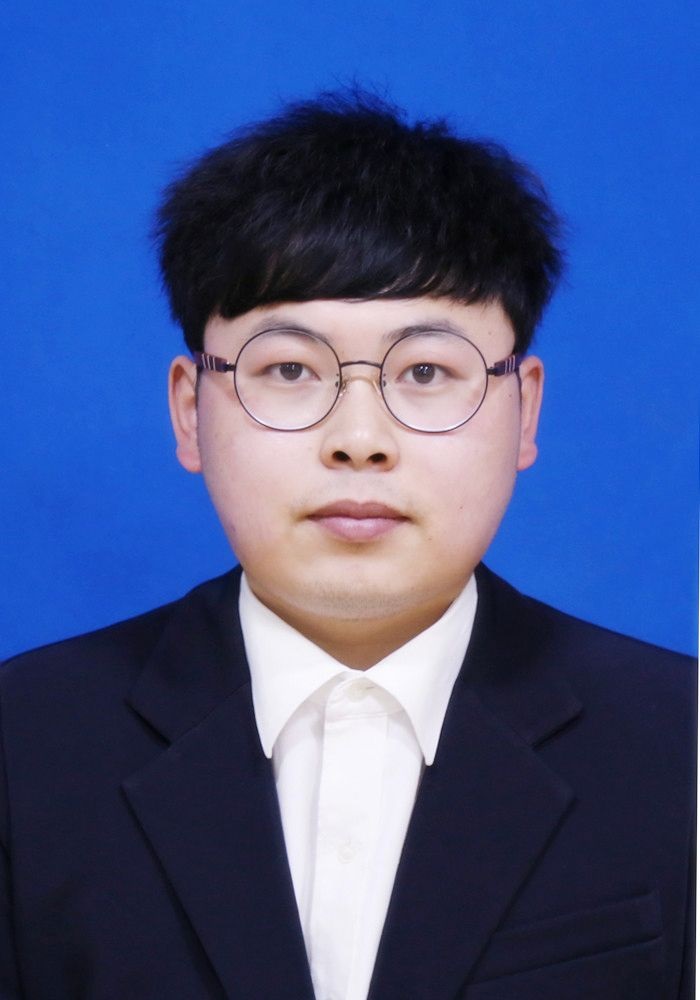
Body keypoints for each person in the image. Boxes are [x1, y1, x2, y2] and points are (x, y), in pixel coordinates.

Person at [0, 91, 694, 1000]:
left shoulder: (680, 746)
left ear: (525, 409)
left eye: (426, 370)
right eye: (289, 368)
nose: (359, 439)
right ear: (189, 410)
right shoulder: (23, 747)